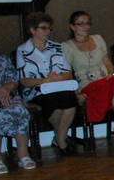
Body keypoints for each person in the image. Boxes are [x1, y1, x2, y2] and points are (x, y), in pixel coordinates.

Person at [62, 11, 114, 152]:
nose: (86, 27)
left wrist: (111, 72)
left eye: (88, 23)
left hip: (106, 80)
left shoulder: (98, 39)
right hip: (88, 85)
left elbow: (108, 63)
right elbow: (68, 74)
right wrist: (75, 93)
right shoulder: (67, 46)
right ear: (72, 27)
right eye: (81, 24)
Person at [16, 12, 79, 155]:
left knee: (70, 99)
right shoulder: (23, 50)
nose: (47, 31)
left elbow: (68, 73)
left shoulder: (57, 47)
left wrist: (58, 77)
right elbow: (24, 80)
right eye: (43, 28)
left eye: (49, 28)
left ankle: (59, 138)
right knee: (54, 104)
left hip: (59, 87)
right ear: (32, 30)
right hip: (37, 90)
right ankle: (62, 139)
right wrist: (45, 80)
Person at [0, 28, 35, 174]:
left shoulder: (1, 59)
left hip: (6, 96)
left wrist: (6, 88)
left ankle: (23, 155)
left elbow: (13, 80)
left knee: (19, 110)